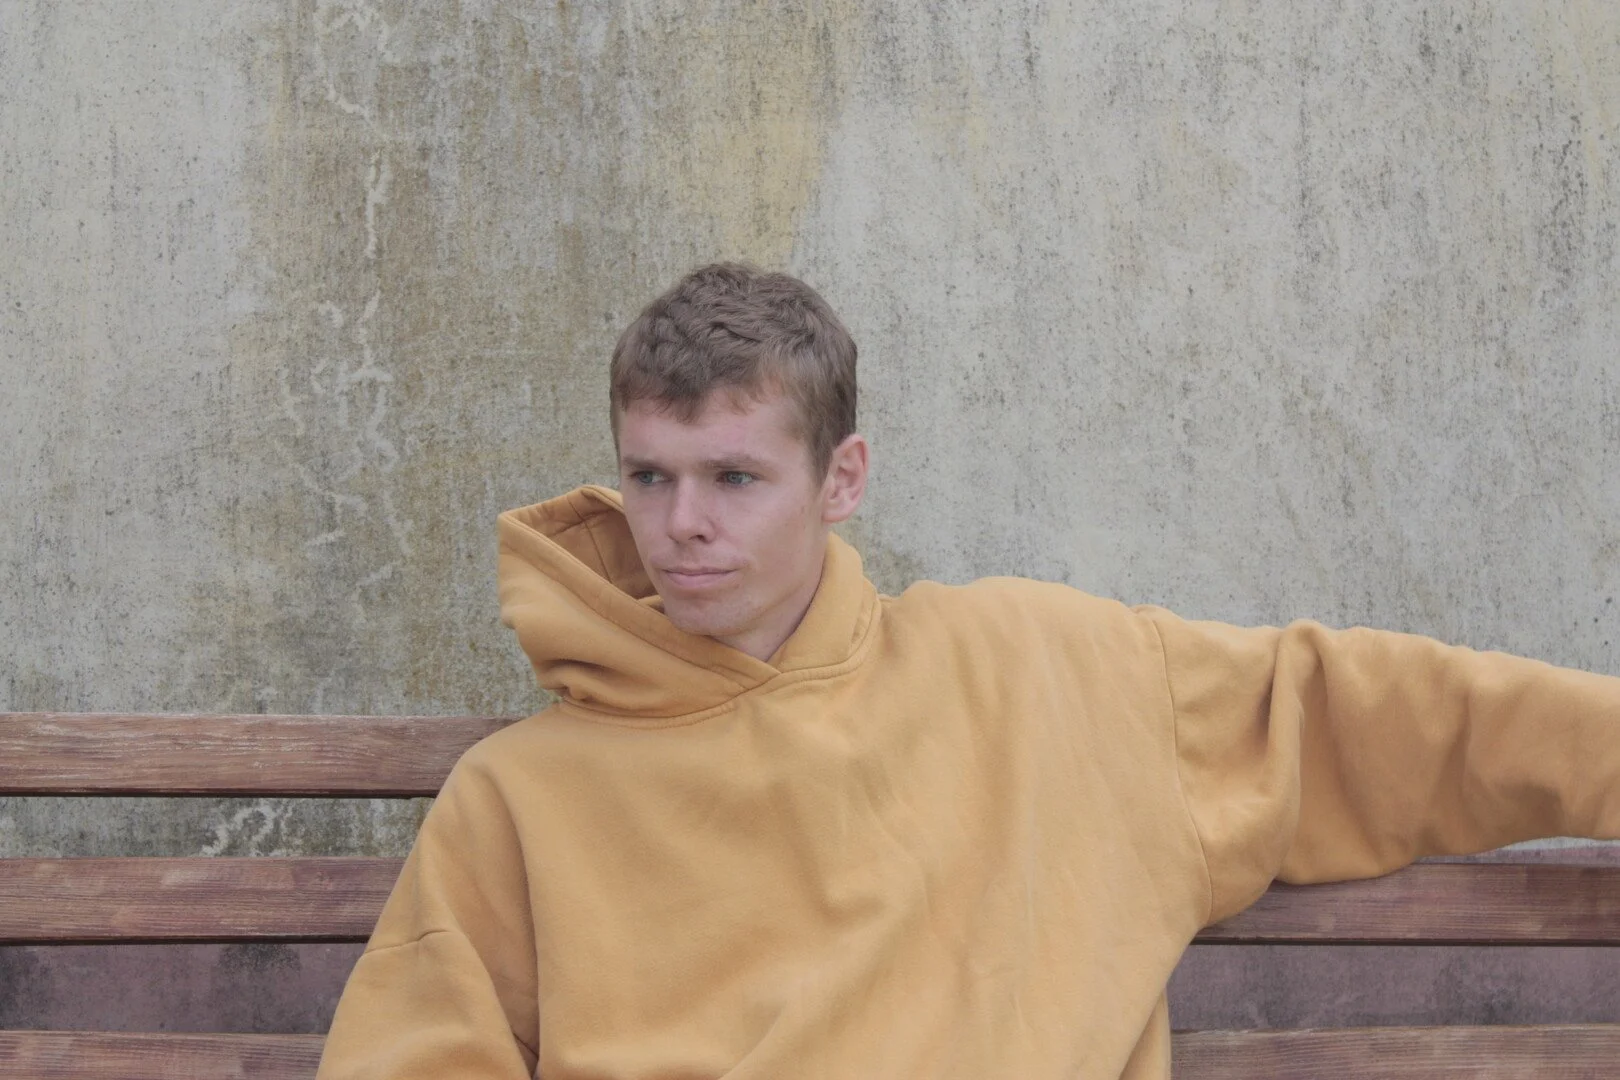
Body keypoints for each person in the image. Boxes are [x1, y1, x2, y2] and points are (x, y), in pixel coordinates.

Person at [317, 263, 1620, 1079]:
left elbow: (1363, 715)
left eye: (734, 478)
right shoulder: (523, 794)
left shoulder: (1042, 671)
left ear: (842, 480)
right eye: (650, 474)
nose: (682, 524)